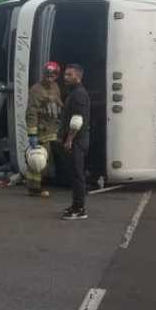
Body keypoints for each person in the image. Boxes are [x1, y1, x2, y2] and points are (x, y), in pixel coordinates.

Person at [25, 61, 63, 197]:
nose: (49, 77)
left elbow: (59, 103)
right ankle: (33, 188)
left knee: (51, 158)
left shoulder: (55, 87)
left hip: (53, 128)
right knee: (38, 158)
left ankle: (48, 181)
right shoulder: (36, 89)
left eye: (52, 74)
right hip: (41, 130)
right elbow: (31, 112)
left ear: (57, 76)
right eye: (47, 74)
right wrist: (32, 133)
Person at [59, 64, 91, 220]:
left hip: (77, 140)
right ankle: (76, 205)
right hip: (78, 140)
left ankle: (79, 209)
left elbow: (77, 119)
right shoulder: (75, 93)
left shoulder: (78, 94)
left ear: (77, 77)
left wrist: (69, 139)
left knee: (78, 174)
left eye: (68, 75)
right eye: (65, 74)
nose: (65, 77)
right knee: (75, 173)